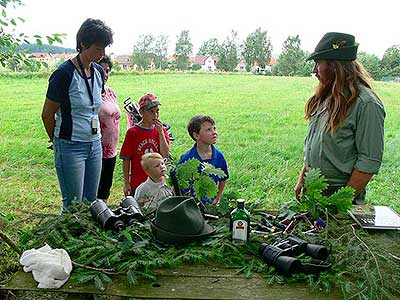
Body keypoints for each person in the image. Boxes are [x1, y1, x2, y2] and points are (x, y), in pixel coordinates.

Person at [294, 32, 385, 204]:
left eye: (318, 63)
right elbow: (314, 146)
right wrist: (302, 179)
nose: (314, 71)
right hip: (314, 191)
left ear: (335, 66)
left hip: (341, 197)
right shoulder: (325, 97)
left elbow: (368, 162)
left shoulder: (366, 104)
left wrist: (339, 202)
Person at [41, 18, 113, 212]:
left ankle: (86, 241)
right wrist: (56, 142)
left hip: (94, 145)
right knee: (73, 206)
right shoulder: (64, 74)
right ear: (83, 44)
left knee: (91, 203)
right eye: (98, 48)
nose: (103, 54)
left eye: (105, 48)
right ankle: (66, 242)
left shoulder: (98, 71)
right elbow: (47, 114)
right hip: (70, 146)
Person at [120, 93, 170, 196]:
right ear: (141, 112)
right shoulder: (133, 132)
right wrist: (126, 182)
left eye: (157, 111)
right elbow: (126, 159)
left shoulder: (160, 130)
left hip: (157, 181)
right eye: (151, 112)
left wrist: (161, 132)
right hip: (138, 182)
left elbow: (165, 155)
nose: (155, 115)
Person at [178, 115, 229, 205]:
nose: (214, 133)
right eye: (208, 130)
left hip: (211, 203)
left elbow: (223, 179)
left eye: (214, 128)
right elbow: (178, 183)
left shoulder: (219, 156)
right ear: (196, 135)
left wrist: (217, 198)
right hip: (191, 204)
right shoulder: (187, 159)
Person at [97, 55, 121, 201]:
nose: (105, 74)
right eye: (101, 70)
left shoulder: (111, 92)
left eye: (107, 71)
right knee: (94, 187)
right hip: (96, 149)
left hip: (111, 148)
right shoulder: (91, 93)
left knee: (106, 186)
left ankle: (103, 213)